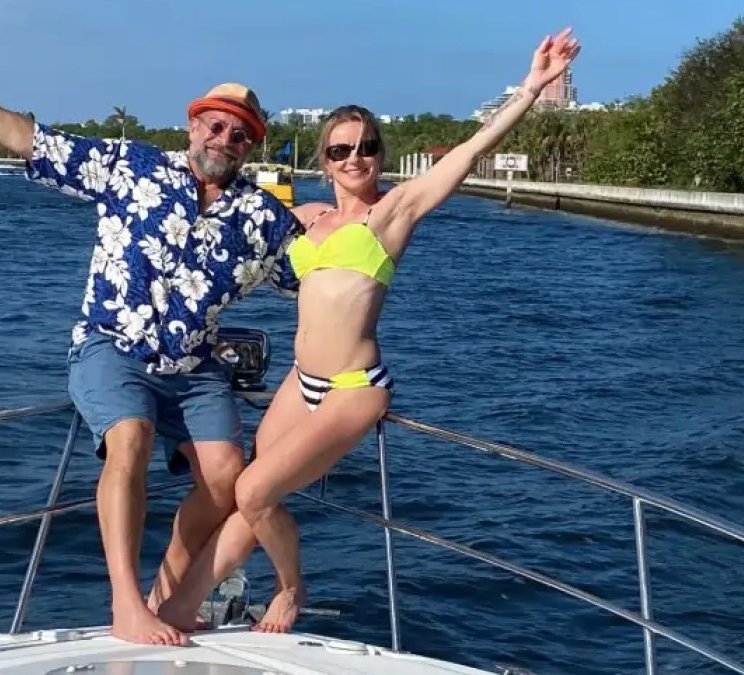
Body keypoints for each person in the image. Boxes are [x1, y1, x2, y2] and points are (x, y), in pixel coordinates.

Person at [157, 28, 582, 633]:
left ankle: (288, 588)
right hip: (299, 383)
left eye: (366, 147)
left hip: (354, 386)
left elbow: (467, 153)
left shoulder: (393, 212)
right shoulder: (304, 219)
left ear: (380, 154)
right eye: (339, 150)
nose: (354, 158)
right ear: (322, 160)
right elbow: (219, 219)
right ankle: (175, 605)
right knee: (246, 494)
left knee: (253, 493)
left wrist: (531, 88)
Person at [0, 45, 303, 646]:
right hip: (112, 347)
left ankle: (168, 592)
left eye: (240, 134)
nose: (225, 138)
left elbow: (323, 278)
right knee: (129, 439)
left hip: (194, 366)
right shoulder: (131, 167)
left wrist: (359, 217)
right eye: (216, 125)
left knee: (226, 476)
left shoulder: (261, 218)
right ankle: (126, 602)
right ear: (194, 124)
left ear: (250, 146)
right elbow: (34, 141)